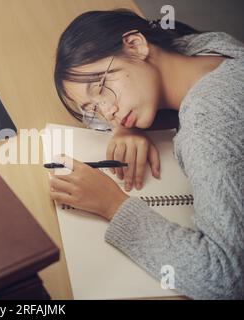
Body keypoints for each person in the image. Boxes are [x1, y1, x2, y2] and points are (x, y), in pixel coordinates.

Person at [50, 9, 244, 299]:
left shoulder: (205, 127)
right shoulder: (209, 47)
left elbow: (225, 278)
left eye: (102, 87)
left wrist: (112, 206)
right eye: (93, 110)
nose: (108, 113)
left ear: (136, 45)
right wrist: (130, 125)